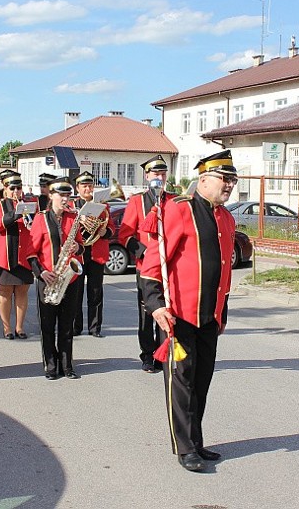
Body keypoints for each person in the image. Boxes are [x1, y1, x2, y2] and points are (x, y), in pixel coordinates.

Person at [141, 149, 237, 472]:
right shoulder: (179, 210)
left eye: (233, 180)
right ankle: (184, 448)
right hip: (179, 315)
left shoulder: (226, 217)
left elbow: (224, 269)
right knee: (181, 382)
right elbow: (153, 264)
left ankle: (196, 441)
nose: (230, 186)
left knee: (201, 381)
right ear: (204, 179)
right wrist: (154, 305)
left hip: (209, 317)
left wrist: (222, 311)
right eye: (225, 179)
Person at [118, 154, 176, 373]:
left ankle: (165, 353)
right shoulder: (136, 201)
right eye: (155, 173)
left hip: (170, 269)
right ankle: (147, 355)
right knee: (146, 314)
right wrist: (144, 254)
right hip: (146, 269)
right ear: (147, 175)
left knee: (168, 311)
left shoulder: (173, 200)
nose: (159, 177)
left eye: (162, 173)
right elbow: (125, 235)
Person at [28, 178, 83, 380]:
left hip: (70, 279)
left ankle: (67, 365)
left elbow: (81, 244)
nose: (65, 199)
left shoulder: (73, 217)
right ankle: (51, 365)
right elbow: (31, 252)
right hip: (48, 278)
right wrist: (41, 272)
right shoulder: (40, 218)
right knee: (48, 325)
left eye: (68, 195)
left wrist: (78, 247)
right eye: (61, 195)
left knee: (67, 325)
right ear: (51, 196)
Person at [0, 173, 34, 339]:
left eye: (19, 188)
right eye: (12, 188)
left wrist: (30, 221)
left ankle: (19, 327)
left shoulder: (29, 204)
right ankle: (6, 327)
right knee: (5, 292)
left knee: (22, 291)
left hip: (24, 254)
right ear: (5, 189)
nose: (16, 191)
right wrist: (16, 213)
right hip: (5, 255)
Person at [72, 171, 113, 337]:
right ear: (78, 188)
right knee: (76, 292)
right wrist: (79, 219)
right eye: (84, 186)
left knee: (95, 292)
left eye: (90, 185)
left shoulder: (103, 206)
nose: (88, 188)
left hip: (97, 252)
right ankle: (76, 326)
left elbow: (110, 227)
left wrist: (104, 231)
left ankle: (95, 328)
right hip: (79, 254)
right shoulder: (72, 206)